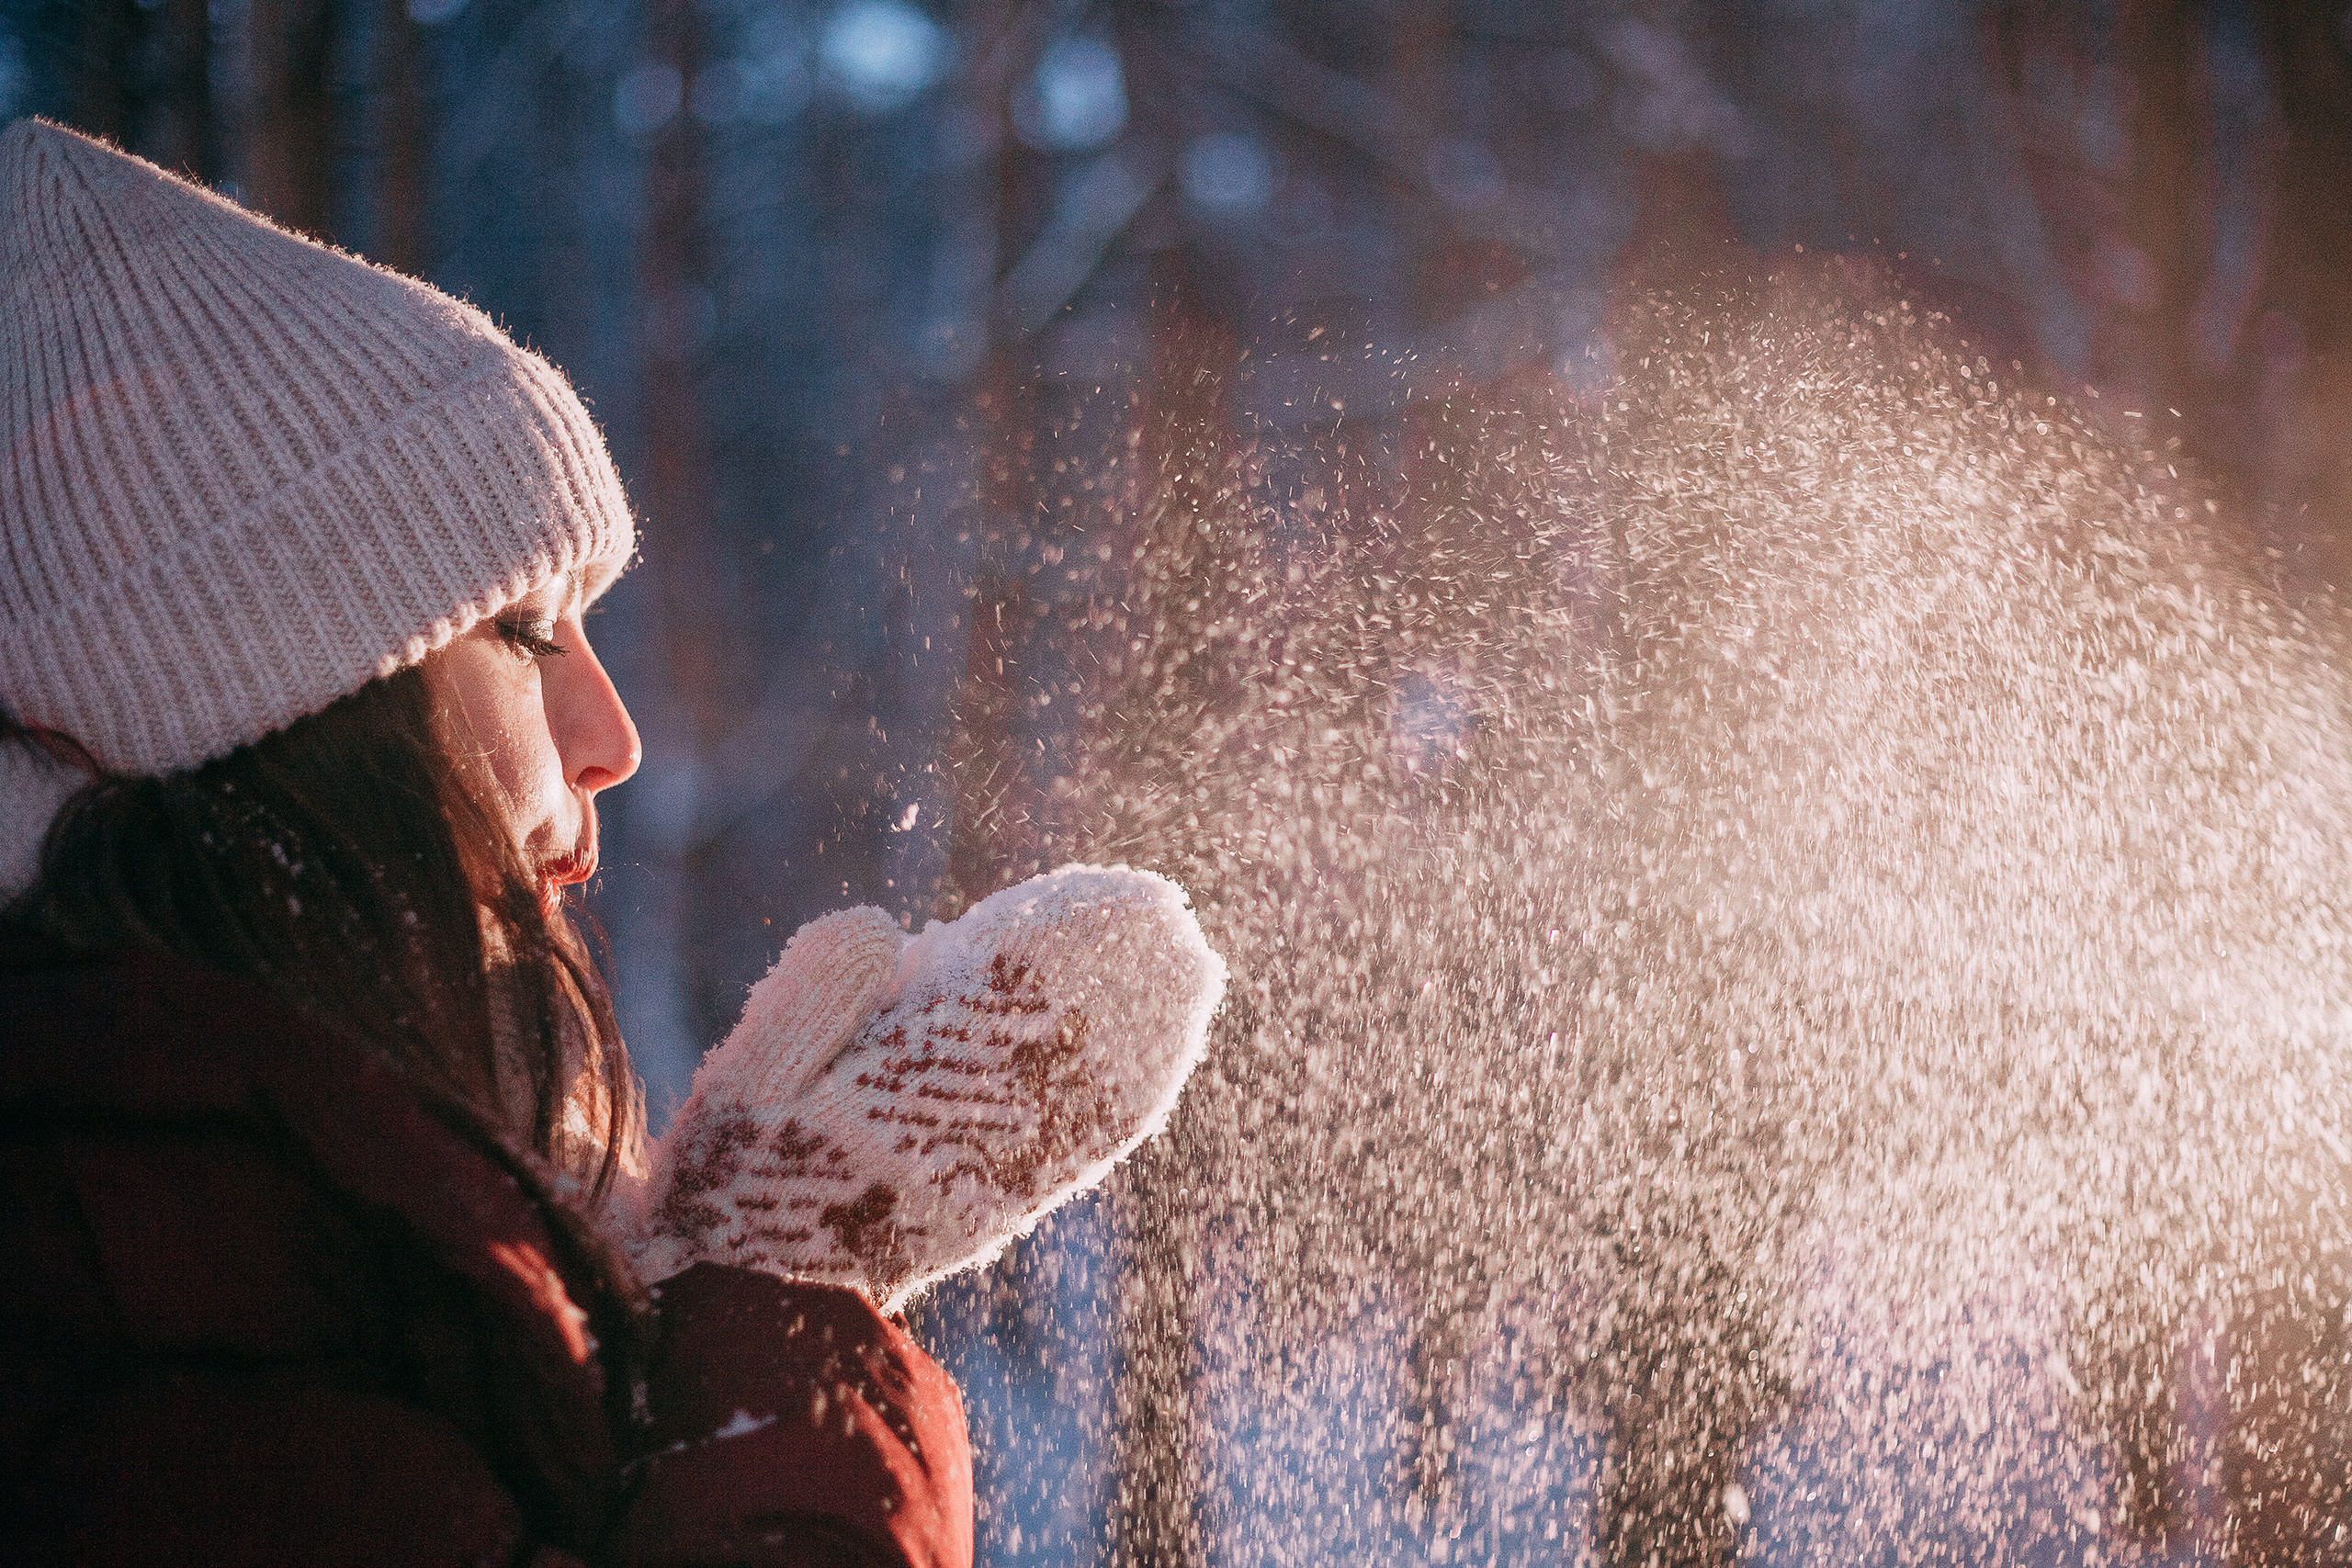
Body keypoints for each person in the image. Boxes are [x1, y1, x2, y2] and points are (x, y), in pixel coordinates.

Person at [0, 117, 982, 1566]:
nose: (617, 736)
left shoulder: (233, 1204)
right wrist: (779, 1322)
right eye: (526, 630)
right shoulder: (154, 1268)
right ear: (268, 701)